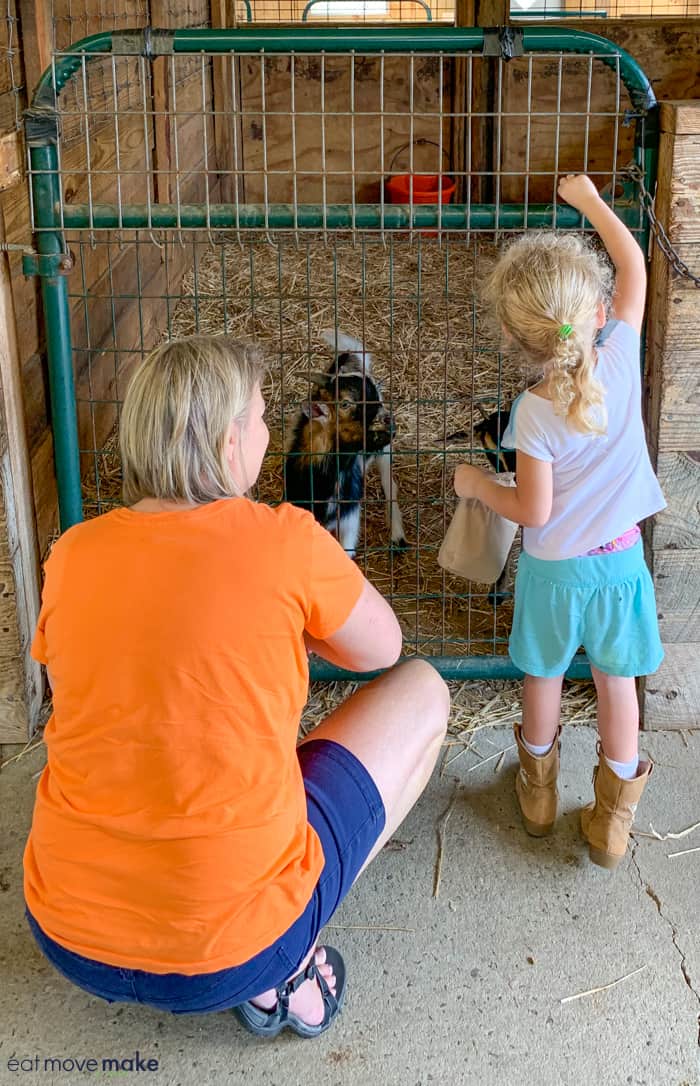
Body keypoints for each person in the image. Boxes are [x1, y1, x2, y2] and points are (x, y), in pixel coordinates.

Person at [24, 335, 450, 1037]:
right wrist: (294, 626)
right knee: (425, 692)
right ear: (229, 443)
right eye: (258, 418)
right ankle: (289, 960)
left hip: (68, 934)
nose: (267, 430)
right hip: (235, 949)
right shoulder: (285, 540)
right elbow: (386, 649)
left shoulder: (72, 554)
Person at [453, 174, 665, 871]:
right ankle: (612, 820)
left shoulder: (533, 412)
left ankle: (538, 793)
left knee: (543, 676)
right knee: (615, 684)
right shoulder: (621, 358)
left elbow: (533, 510)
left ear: (519, 340)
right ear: (599, 311)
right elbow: (633, 264)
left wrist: (481, 485)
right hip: (620, 563)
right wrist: (593, 204)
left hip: (553, 575)